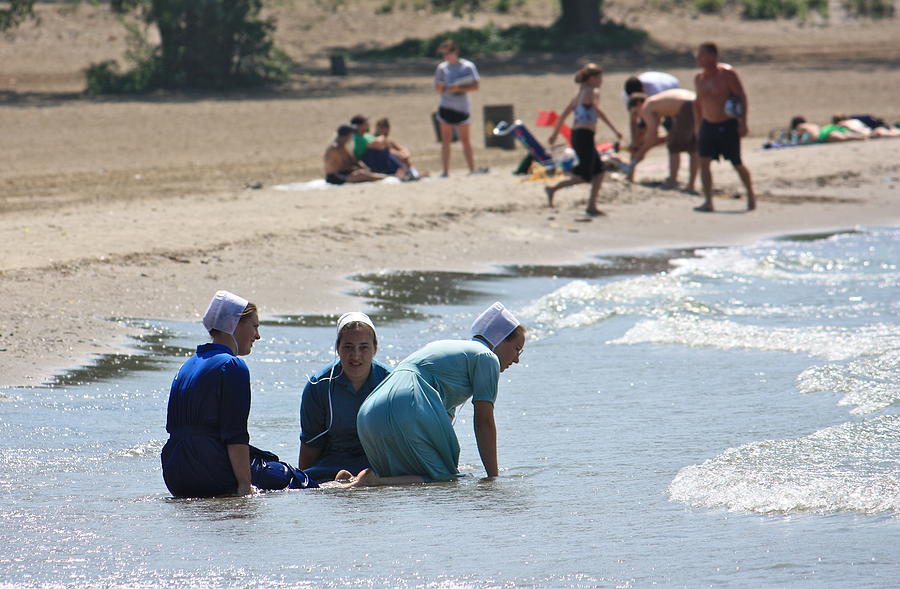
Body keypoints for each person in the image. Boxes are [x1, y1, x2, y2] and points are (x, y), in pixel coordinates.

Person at [350, 302, 526, 486]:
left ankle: (355, 478)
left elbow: (442, 428)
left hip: (369, 411)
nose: (517, 359)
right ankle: (372, 480)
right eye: (516, 349)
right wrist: (493, 478)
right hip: (408, 403)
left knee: (410, 474)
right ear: (501, 339)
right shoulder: (486, 357)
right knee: (444, 480)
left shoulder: (453, 352)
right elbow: (484, 422)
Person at [161, 290, 317, 498]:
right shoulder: (232, 366)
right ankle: (342, 486)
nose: (258, 336)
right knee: (295, 480)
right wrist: (245, 488)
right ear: (234, 324)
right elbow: (235, 436)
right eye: (254, 326)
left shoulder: (188, 365)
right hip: (209, 469)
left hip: (175, 473)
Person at [298, 312, 391, 483]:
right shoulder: (318, 385)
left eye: (363, 347)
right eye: (348, 347)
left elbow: (403, 439)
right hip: (332, 465)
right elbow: (310, 443)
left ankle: (357, 480)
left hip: (378, 465)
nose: (355, 356)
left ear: (375, 348)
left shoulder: (391, 382)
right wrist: (302, 483)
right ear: (337, 348)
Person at [544, 63, 623, 216]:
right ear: (593, 78)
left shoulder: (578, 94)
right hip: (584, 136)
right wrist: (615, 130)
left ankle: (591, 205)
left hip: (579, 135)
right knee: (585, 176)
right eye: (600, 78)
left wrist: (554, 135)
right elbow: (598, 112)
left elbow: (564, 115)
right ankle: (552, 188)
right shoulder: (593, 92)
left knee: (599, 172)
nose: (602, 81)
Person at [693, 42, 755, 212]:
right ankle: (708, 201)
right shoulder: (699, 78)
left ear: (712, 56)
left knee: (736, 162)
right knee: (703, 162)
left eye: (701, 55)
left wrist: (743, 122)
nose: (697, 58)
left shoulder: (727, 74)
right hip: (708, 125)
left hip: (727, 124)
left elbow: (741, 97)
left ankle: (750, 194)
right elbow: (698, 103)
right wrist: (698, 126)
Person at [433, 39, 487, 177]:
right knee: (446, 140)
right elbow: (437, 89)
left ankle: (471, 169)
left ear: (455, 52)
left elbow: (476, 86)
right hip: (446, 106)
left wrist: (458, 87)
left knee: (465, 140)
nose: (446, 57)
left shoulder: (467, 66)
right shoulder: (442, 68)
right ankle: (445, 171)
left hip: (462, 108)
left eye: (447, 53)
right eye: (443, 54)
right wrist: (444, 87)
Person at [626, 89, 698, 191]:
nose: (638, 116)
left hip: (686, 106)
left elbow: (652, 135)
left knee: (674, 146)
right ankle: (691, 184)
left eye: (635, 112)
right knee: (692, 147)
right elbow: (659, 136)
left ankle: (672, 181)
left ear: (639, 104)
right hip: (695, 101)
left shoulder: (647, 106)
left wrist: (640, 153)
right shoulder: (657, 103)